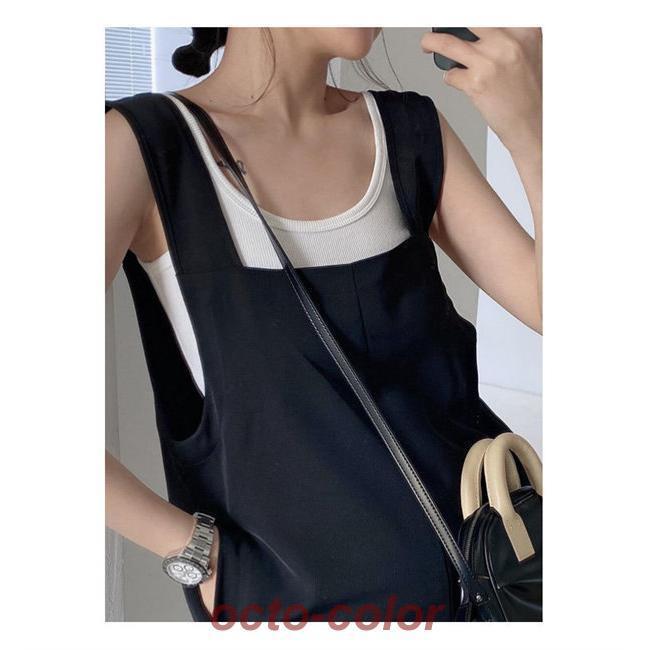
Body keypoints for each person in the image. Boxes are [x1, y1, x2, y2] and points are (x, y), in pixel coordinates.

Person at [105, 27, 542, 623]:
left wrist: (528, 129)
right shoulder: (144, 146)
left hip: (491, 581)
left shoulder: (408, 129)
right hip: (302, 608)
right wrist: (199, 555)